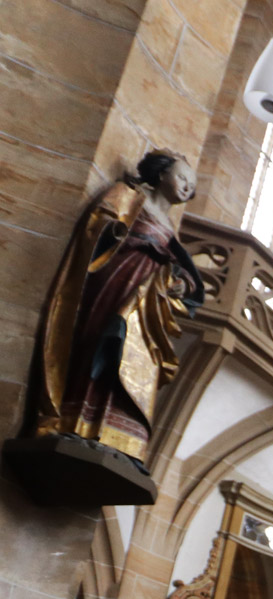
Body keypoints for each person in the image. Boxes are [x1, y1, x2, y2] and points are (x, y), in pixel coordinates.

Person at [23, 151, 205, 466]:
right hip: (117, 280)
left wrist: (180, 282)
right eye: (182, 177)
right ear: (161, 175)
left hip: (148, 302)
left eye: (193, 184)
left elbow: (182, 273)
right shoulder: (129, 196)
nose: (188, 186)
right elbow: (100, 228)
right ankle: (76, 421)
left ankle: (120, 437)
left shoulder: (170, 230)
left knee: (139, 360)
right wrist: (127, 236)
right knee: (101, 342)